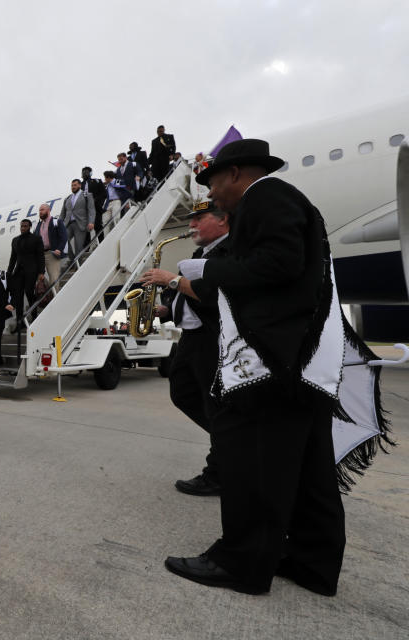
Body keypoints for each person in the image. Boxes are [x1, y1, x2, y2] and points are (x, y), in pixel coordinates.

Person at [164, 138, 347, 597]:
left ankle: (243, 562)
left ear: (237, 173)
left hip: (271, 362)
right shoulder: (282, 201)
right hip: (299, 363)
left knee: (253, 461)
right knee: (308, 470)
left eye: (213, 183)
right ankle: (311, 562)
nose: (213, 195)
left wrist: (209, 275)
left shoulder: (266, 196)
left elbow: (279, 264)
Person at [142, 201, 231, 496]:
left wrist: (171, 279)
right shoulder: (200, 253)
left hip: (212, 338)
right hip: (191, 337)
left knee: (215, 405)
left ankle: (220, 470)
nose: (191, 224)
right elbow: (192, 296)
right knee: (182, 393)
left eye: (199, 218)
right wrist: (167, 310)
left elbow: (216, 297)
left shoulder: (231, 251)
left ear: (222, 221)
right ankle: (233, 444)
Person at [6, 218, 45, 323]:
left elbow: (40, 256)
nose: (23, 228)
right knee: (18, 296)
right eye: (21, 226)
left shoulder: (36, 239)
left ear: (29, 227)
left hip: (31, 271)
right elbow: (13, 258)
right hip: (18, 272)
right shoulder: (15, 240)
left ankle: (34, 316)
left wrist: (41, 272)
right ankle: (19, 320)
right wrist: (9, 273)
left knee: (29, 292)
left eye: (25, 226)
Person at [33, 204, 67, 292]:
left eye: (42, 210)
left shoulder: (56, 221)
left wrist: (59, 249)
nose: (40, 212)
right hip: (40, 255)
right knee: (38, 277)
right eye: (39, 210)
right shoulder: (38, 225)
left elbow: (64, 237)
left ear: (48, 210)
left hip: (52, 253)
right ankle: (48, 293)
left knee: (54, 278)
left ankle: (54, 297)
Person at [60, 178, 93, 261]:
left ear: (79, 185)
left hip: (80, 224)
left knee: (78, 245)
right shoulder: (67, 199)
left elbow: (91, 210)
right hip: (68, 224)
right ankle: (72, 259)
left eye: (75, 185)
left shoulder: (87, 195)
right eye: (72, 186)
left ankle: (78, 262)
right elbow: (62, 214)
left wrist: (91, 222)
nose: (73, 187)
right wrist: (60, 225)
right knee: (63, 240)